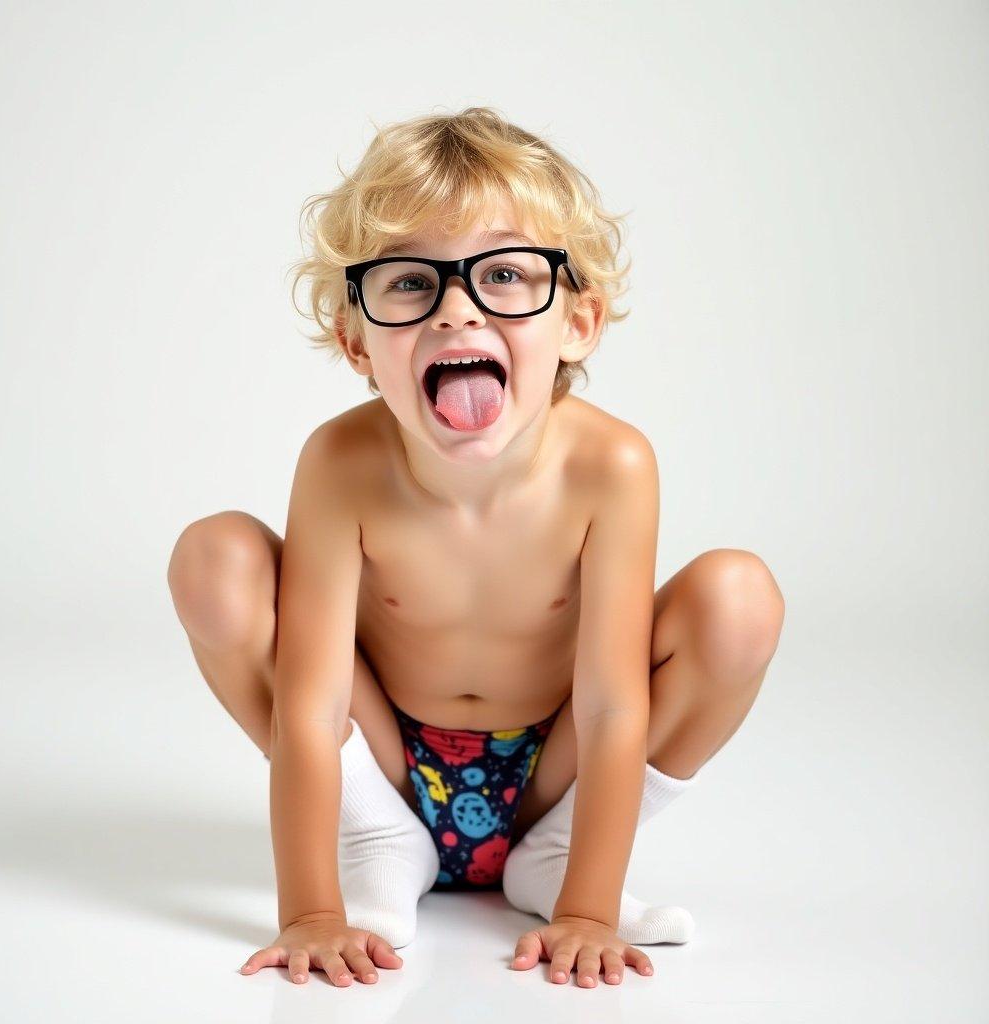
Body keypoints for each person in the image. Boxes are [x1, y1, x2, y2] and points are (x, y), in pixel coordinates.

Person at [167, 107, 785, 989]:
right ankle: (379, 837)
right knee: (213, 557)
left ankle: (556, 858)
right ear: (356, 340)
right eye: (410, 283)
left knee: (741, 595)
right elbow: (310, 704)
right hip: (377, 759)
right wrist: (310, 912)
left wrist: (588, 909)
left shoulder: (611, 465)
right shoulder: (340, 462)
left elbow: (612, 707)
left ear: (578, 322)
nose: (458, 309)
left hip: (553, 773)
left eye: (502, 274)